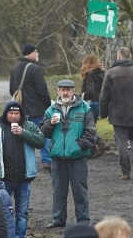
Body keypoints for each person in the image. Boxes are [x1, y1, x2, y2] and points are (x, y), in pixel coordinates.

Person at [0, 100, 45, 238]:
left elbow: (41, 141)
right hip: (3, 178)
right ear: (6, 114)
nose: (13, 116)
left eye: (16, 113)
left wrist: (23, 133)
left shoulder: (29, 126)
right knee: (3, 211)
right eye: (10, 113)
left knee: (22, 212)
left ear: (21, 114)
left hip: (24, 178)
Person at [41, 80, 96, 227]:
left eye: (68, 90)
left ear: (73, 91)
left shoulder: (85, 109)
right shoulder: (50, 110)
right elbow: (44, 133)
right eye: (62, 90)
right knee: (58, 190)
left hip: (78, 157)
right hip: (58, 157)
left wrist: (78, 146)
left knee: (80, 190)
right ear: (58, 91)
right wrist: (50, 124)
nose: (65, 92)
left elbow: (91, 133)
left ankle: (83, 220)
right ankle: (58, 220)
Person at [99, 48, 133, 178]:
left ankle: (126, 172)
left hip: (118, 113)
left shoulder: (111, 73)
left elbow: (104, 96)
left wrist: (103, 113)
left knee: (121, 141)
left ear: (118, 57)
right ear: (130, 57)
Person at [9, 44, 51, 169]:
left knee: (23, 134)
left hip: (20, 108)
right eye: (35, 52)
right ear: (29, 53)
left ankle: (26, 161)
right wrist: (48, 104)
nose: (37, 54)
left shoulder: (15, 68)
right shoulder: (35, 68)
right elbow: (42, 89)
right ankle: (47, 160)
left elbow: (12, 90)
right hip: (36, 108)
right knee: (42, 133)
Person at [79, 54, 105, 119]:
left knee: (87, 125)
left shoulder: (90, 75)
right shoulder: (102, 74)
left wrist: (80, 96)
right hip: (99, 102)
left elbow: (90, 91)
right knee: (92, 125)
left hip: (91, 102)